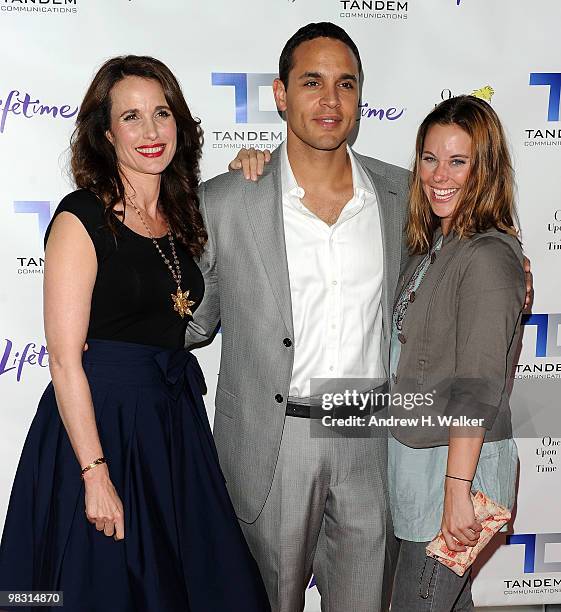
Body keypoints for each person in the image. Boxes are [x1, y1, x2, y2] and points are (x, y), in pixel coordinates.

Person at [0, 55, 270, 612]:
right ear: (105, 133)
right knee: (106, 588)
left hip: (171, 426)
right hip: (102, 427)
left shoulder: (183, 215)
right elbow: (65, 360)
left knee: (201, 584)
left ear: (179, 124)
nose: (150, 132)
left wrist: (255, 165)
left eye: (162, 114)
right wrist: (95, 475)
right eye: (131, 117)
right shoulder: (82, 218)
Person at [186, 22, 411, 612]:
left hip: (368, 434)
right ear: (282, 95)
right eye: (312, 82)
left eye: (346, 84)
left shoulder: (401, 197)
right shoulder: (228, 200)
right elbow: (193, 323)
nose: (330, 101)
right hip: (271, 442)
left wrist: (511, 258)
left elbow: (466, 249)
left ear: (362, 97)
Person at [387, 95, 525, 611]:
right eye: (429, 158)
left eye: (458, 161)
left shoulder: (487, 255)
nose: (438, 175)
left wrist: (456, 489)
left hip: (456, 472)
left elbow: (476, 386)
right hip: (425, 469)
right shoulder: (438, 242)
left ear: (484, 169)